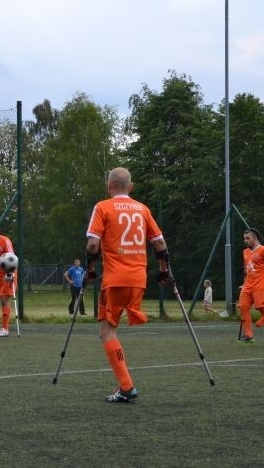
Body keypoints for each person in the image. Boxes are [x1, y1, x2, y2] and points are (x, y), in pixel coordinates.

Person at [85, 167, 171, 403]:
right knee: (111, 329)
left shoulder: (102, 207)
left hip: (115, 280)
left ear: (109, 186)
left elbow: (92, 245)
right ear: (130, 187)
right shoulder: (143, 209)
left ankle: (126, 386)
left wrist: (90, 271)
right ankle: (125, 385)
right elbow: (160, 244)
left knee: (106, 331)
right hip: (138, 280)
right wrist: (163, 272)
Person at [238, 228, 264, 343]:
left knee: (260, 307)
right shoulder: (245, 252)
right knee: (242, 307)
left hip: (260, 285)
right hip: (248, 285)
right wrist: (244, 284)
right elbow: (246, 270)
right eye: (244, 239)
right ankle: (249, 335)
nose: (245, 241)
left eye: (248, 238)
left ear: (255, 238)